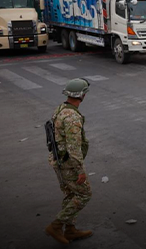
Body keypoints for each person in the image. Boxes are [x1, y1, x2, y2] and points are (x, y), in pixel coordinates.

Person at [45, 78, 93, 244]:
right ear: (82, 95)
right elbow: (74, 147)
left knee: (71, 194)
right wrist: (80, 171)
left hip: (58, 160)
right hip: (68, 164)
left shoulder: (61, 109)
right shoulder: (72, 118)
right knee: (85, 194)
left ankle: (70, 230)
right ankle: (56, 226)